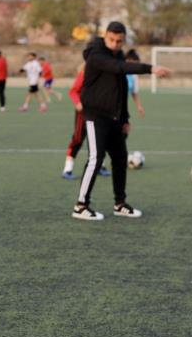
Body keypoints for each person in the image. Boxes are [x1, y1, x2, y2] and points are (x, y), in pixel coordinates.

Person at [72, 21, 170, 220]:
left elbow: (122, 89)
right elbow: (118, 68)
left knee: (120, 159)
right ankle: (81, 205)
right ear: (105, 35)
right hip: (95, 115)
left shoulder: (116, 54)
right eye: (112, 40)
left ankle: (120, 203)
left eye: (120, 41)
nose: (116, 44)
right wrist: (150, 68)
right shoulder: (96, 55)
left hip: (115, 118)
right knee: (95, 158)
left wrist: (125, 118)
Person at [62, 62, 108, 180]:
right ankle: (67, 169)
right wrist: (77, 103)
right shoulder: (86, 74)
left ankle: (100, 166)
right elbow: (73, 91)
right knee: (78, 138)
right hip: (84, 112)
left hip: (100, 112)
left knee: (100, 139)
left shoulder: (108, 74)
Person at [124, 49, 146, 118]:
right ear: (128, 60)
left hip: (121, 108)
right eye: (134, 64)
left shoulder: (134, 76)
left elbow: (134, 92)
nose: (135, 67)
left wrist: (139, 106)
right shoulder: (118, 71)